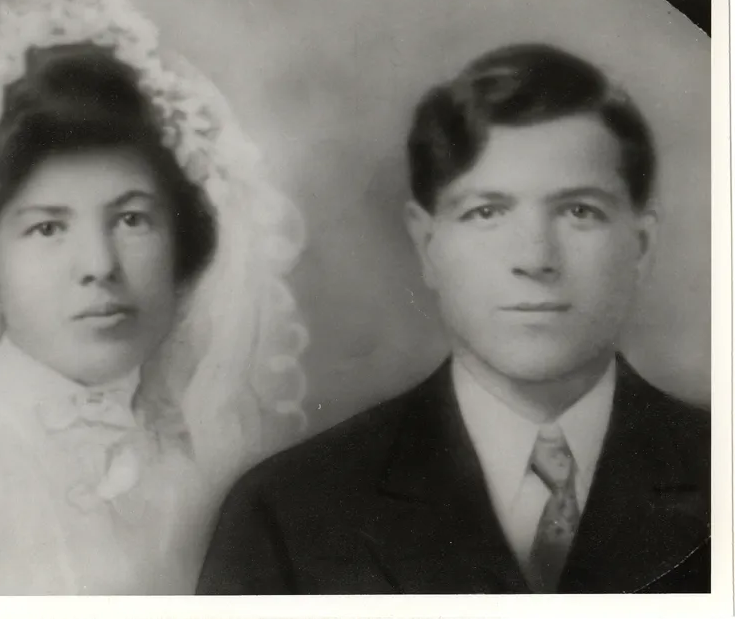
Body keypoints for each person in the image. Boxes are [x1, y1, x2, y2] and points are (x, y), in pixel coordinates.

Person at [0, 0, 308, 595]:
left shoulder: (210, 467)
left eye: (132, 219)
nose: (98, 265)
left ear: (186, 250)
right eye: (47, 227)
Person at [196, 43, 711, 594]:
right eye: (486, 212)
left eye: (579, 211)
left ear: (641, 242)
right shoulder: (286, 512)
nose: (535, 258)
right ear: (427, 244)